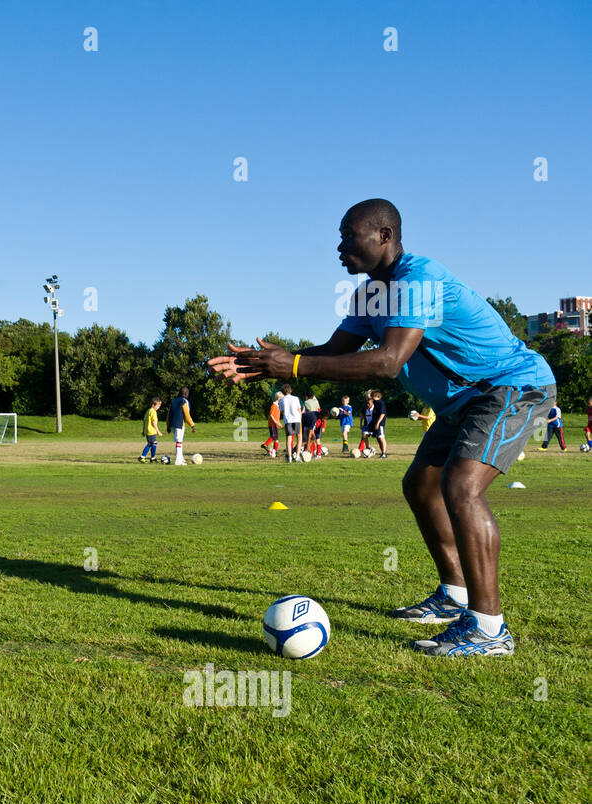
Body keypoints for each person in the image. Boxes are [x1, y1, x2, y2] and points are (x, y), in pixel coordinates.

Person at [208, 197, 556, 657]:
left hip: (509, 385)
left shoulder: (418, 277)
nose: (339, 246)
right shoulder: (370, 294)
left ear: (384, 236)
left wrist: (293, 364)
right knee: (421, 485)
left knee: (462, 487)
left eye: (348, 235)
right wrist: (263, 362)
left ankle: (489, 630)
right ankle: (454, 598)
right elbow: (335, 351)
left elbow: (389, 363)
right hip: (464, 401)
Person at [168, 386, 195, 465]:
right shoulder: (184, 401)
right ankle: (178, 461)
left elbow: (168, 413)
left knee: (179, 441)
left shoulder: (173, 401)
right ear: (186, 394)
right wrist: (192, 425)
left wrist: (168, 425)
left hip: (172, 423)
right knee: (179, 441)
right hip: (179, 424)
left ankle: (181, 458)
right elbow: (187, 414)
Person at [277, 383, 302, 462]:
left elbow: (281, 411)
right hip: (297, 419)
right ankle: (297, 456)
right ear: (290, 390)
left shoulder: (281, 400)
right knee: (299, 437)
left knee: (289, 438)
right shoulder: (296, 398)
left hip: (288, 420)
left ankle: (289, 457)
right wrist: (300, 419)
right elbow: (299, 410)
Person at [139, 398, 163, 462]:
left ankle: (152, 458)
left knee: (152, 444)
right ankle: (142, 457)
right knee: (152, 443)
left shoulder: (148, 411)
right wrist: (158, 431)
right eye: (158, 406)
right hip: (151, 431)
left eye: (159, 406)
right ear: (153, 405)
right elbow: (154, 422)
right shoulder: (153, 412)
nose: (158, 407)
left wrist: (144, 430)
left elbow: (144, 421)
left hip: (148, 431)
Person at [262, 391, 282, 456]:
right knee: (274, 437)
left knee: (276, 438)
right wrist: (276, 422)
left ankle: (275, 452)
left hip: (275, 425)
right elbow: (271, 415)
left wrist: (278, 422)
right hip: (273, 425)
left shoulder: (277, 406)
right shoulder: (274, 405)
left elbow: (276, 416)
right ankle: (266, 444)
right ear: (279, 398)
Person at [371, 389, 389, 457]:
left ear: (375, 396)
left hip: (380, 423)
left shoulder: (381, 403)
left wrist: (378, 423)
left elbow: (382, 414)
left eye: (372, 395)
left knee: (381, 437)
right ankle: (383, 452)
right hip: (375, 422)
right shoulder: (375, 402)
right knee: (378, 438)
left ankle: (384, 453)